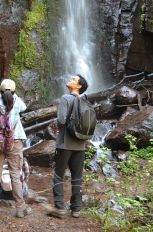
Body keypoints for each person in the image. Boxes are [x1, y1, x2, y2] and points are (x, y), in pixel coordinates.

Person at [0, 79, 32, 218]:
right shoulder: (17, 103)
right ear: (14, 92)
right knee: (15, 175)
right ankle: (20, 208)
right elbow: (24, 107)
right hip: (15, 141)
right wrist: (14, 95)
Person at [45, 74, 89, 218]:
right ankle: (76, 209)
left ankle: (59, 206)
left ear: (79, 86)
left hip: (65, 143)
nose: (70, 79)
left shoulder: (65, 98)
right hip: (81, 145)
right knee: (77, 177)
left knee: (58, 175)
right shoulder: (85, 101)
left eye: (73, 79)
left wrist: (57, 127)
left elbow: (61, 120)